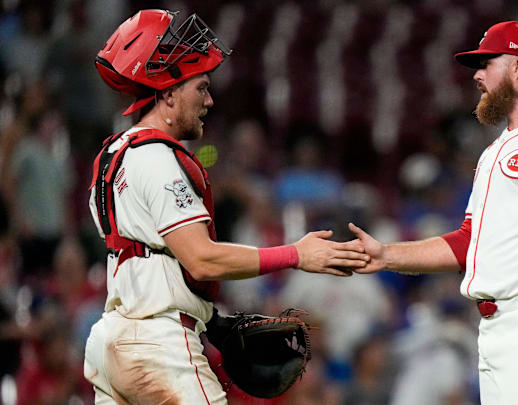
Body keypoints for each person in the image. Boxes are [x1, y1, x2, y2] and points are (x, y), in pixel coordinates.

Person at [82, 9, 368, 405]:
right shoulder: (156, 157)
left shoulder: (112, 155)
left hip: (112, 340)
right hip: (157, 345)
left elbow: (147, 259)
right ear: (167, 94)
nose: (209, 100)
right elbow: (202, 259)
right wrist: (296, 254)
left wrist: (211, 321)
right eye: (200, 87)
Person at [349, 21, 518, 405]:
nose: (476, 76)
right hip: (495, 329)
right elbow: (468, 243)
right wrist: (388, 255)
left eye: (486, 63)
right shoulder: (492, 153)